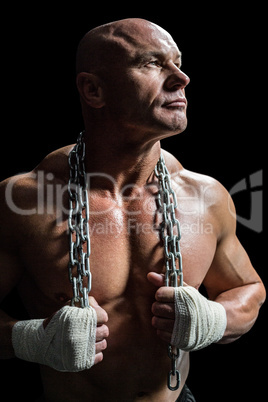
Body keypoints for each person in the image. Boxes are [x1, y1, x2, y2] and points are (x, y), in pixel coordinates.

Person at [0, 18, 265, 402]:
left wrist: (215, 319)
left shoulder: (206, 195)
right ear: (93, 90)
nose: (182, 78)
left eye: (178, 61)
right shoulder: (25, 200)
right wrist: (32, 340)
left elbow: (248, 289)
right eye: (152, 64)